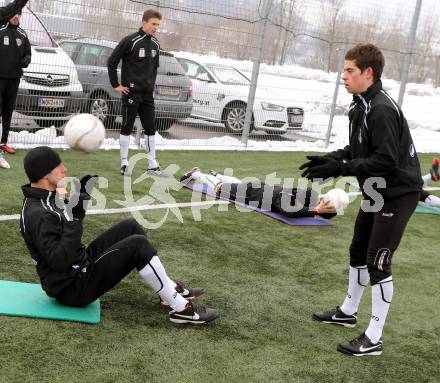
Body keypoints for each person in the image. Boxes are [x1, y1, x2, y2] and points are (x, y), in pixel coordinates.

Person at [299, 44, 422, 356]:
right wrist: (333, 159)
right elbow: (359, 151)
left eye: (350, 71)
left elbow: (387, 161)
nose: (344, 76)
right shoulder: (360, 105)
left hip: (396, 193)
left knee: (378, 262)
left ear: (368, 73)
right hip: (375, 190)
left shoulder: (381, 109)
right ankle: (348, 312)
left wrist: (342, 168)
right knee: (358, 251)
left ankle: (374, 337)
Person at [20, 146, 219, 324]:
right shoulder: (39, 213)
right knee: (138, 245)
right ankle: (182, 309)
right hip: (72, 288)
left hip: (77, 266)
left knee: (130, 226)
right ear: (45, 174)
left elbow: (67, 233)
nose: (64, 169)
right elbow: (58, 260)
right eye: (58, 165)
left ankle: (169, 290)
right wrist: (73, 217)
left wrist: (78, 207)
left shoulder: (48, 197)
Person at [107, 9, 165, 177]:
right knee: (126, 127)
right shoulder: (130, 40)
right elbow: (112, 61)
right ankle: (124, 163)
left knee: (151, 129)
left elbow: (154, 68)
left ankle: (152, 165)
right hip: (131, 93)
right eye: (153, 24)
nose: (156, 28)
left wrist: (151, 85)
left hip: (147, 95)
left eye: (158, 25)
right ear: (144, 22)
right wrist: (116, 85)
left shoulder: (155, 44)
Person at [180, 167, 338, 219]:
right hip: (250, 192)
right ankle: (196, 174)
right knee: (220, 188)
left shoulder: (298, 196)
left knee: (235, 182)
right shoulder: (287, 197)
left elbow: (306, 206)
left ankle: (215, 175)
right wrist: (316, 210)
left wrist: (322, 207)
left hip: (256, 187)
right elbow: (288, 212)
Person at [0, 0, 31, 160]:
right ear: (9, 15)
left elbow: (28, 53)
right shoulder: (1, 30)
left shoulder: (23, 35)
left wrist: (26, 60)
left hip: (14, 78)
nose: (16, 16)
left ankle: (3, 142)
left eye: (19, 14)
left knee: (8, 111)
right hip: (0, 78)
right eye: (14, 14)